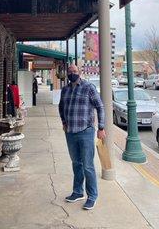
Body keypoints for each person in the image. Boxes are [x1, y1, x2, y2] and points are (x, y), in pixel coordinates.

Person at [58, 64, 105, 210]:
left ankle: (92, 196)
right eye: (70, 71)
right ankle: (78, 192)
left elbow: (100, 106)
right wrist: (64, 122)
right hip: (70, 132)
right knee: (76, 163)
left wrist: (101, 128)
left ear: (80, 72)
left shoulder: (88, 87)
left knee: (88, 165)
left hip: (86, 131)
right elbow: (61, 107)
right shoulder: (65, 89)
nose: (72, 73)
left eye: (75, 71)